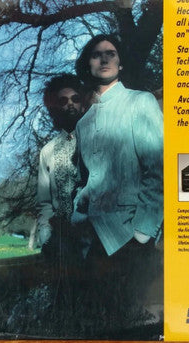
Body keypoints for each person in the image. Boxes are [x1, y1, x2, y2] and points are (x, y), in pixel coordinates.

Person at [72, 34, 163, 337]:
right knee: (98, 327)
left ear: (121, 63)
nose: (104, 58)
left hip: (131, 238)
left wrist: (143, 231)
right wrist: (78, 210)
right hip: (95, 238)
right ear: (88, 64)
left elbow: (158, 170)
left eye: (111, 53)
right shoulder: (83, 123)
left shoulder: (140, 102)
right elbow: (89, 179)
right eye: (96, 54)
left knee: (136, 330)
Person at [36, 74, 85, 258]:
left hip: (96, 236)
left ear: (83, 103)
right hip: (62, 241)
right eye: (63, 101)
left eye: (75, 98)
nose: (70, 104)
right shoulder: (47, 151)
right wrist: (46, 238)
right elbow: (44, 203)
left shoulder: (98, 140)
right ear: (56, 108)